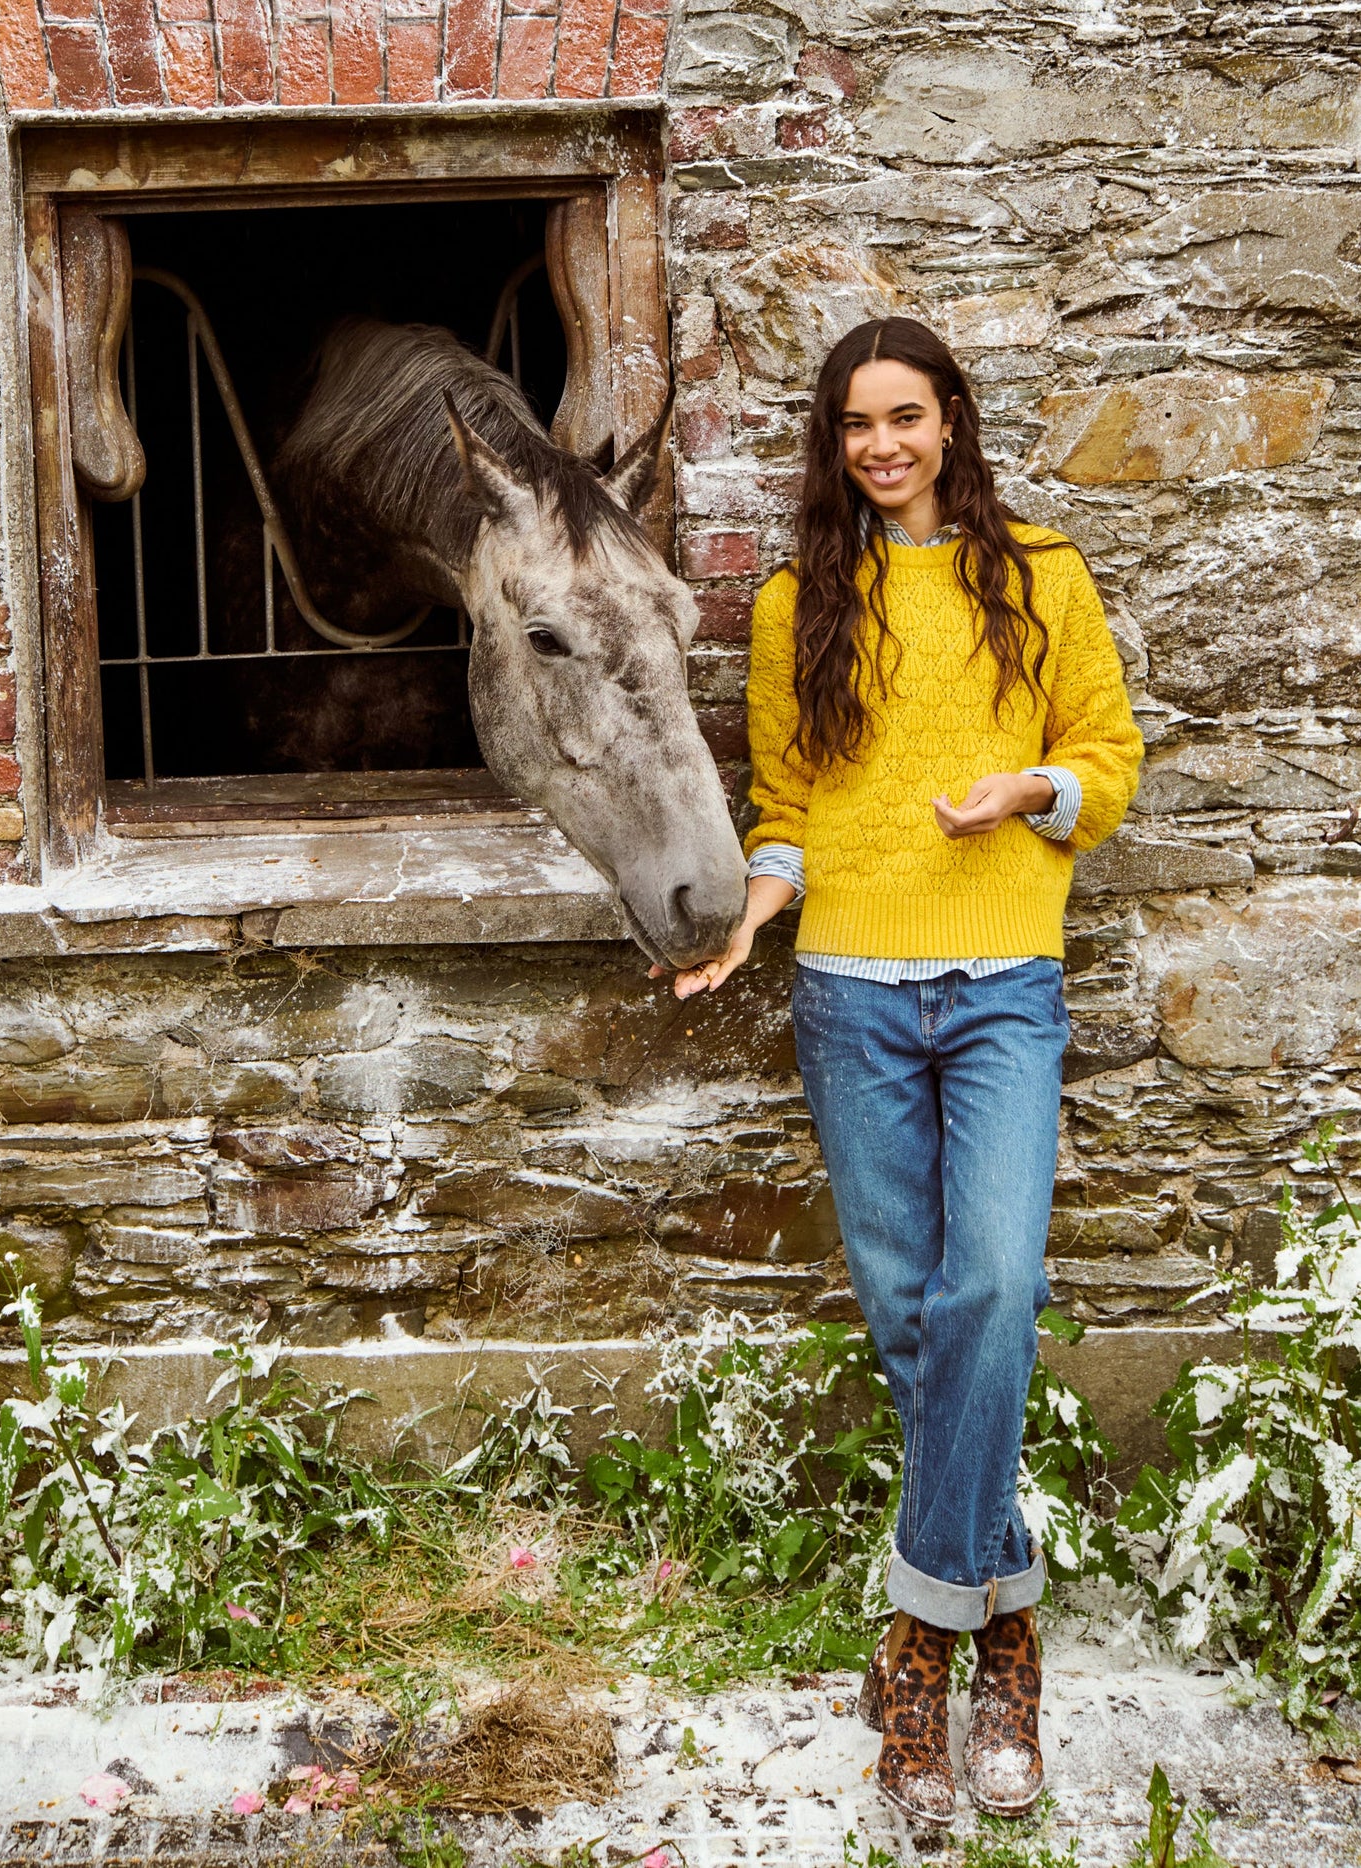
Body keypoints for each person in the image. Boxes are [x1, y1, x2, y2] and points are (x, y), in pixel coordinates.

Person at [659, 317, 1144, 1824]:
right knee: (914, 1324)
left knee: (989, 1287)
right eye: (855, 424)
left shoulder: (1040, 575)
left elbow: (1109, 758)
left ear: (950, 425)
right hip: (850, 996)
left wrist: (1035, 789)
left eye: (905, 419)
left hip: (1003, 979)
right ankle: (1003, 1636)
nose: (880, 446)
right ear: (834, 440)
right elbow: (788, 804)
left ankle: (914, 1652)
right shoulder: (802, 596)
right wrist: (750, 911)